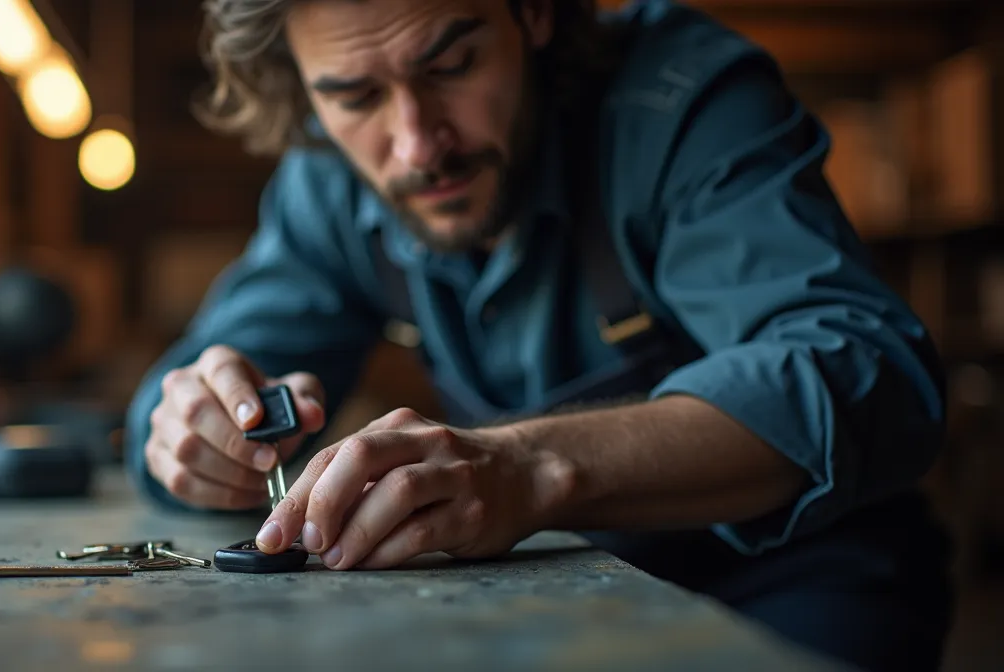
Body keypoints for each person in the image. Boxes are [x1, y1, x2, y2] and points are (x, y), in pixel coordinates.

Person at [126, 0, 954, 669]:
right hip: (537, 598)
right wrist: (191, 434)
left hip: (787, 590)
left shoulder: (682, 100)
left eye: (451, 65)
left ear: (533, 15)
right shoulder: (329, 184)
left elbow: (867, 371)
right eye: (354, 95)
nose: (417, 144)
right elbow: (195, 387)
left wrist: (531, 468)